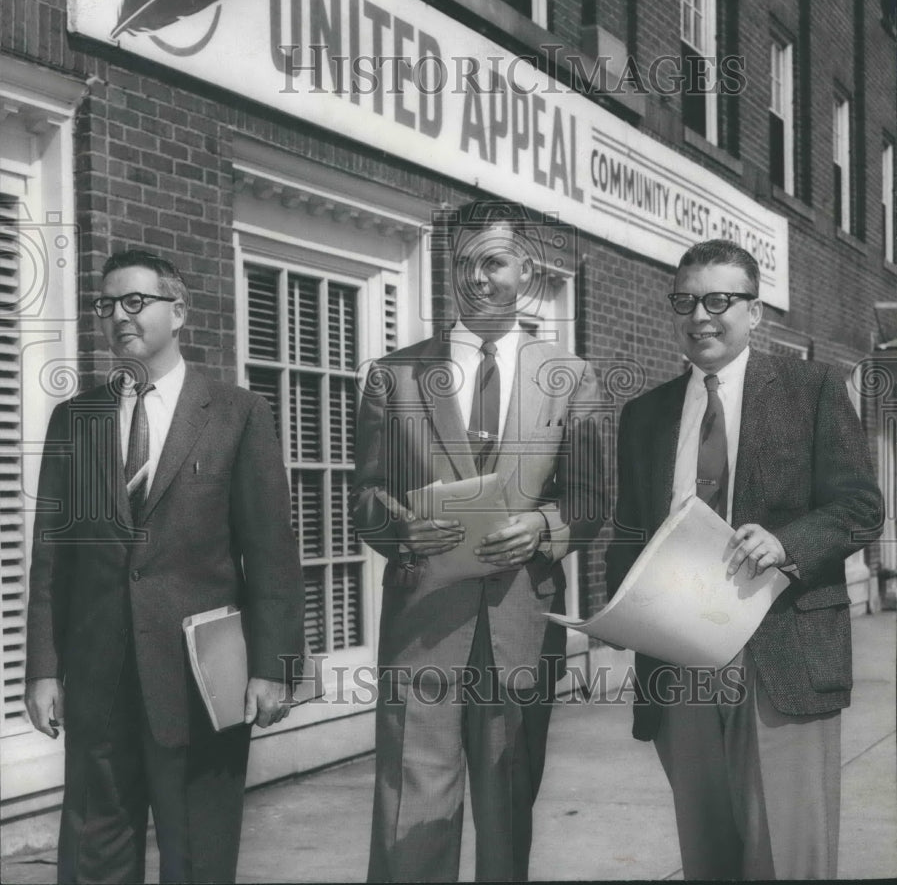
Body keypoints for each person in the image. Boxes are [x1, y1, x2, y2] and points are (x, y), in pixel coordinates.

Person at [605, 239, 883, 880]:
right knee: (708, 857)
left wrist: (787, 544)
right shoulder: (644, 416)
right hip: (679, 665)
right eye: (686, 300)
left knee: (787, 860)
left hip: (780, 656)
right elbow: (627, 538)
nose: (700, 315)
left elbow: (861, 509)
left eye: (719, 300)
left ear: (755, 312)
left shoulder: (809, 388)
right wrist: (621, 610)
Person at [25, 249, 304, 884]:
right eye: (106, 305)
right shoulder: (77, 420)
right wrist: (43, 669)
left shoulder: (237, 414)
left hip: (202, 680)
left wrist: (275, 668)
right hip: (98, 682)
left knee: (199, 858)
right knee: (93, 858)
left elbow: (271, 554)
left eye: (135, 301)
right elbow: (52, 562)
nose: (118, 317)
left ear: (178, 311)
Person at [352, 201, 602, 882]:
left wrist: (542, 528)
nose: (475, 279)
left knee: (507, 819)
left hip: (520, 625)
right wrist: (399, 529)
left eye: (491, 261)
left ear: (527, 268)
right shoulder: (394, 375)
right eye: (461, 264)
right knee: (410, 820)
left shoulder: (569, 377)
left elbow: (589, 499)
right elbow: (363, 496)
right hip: (423, 627)